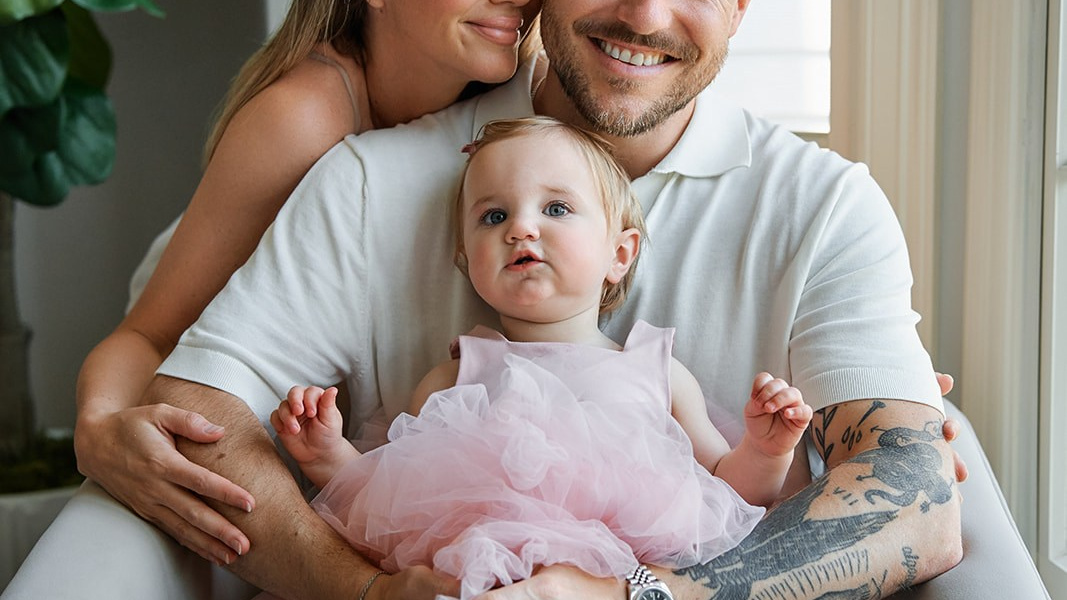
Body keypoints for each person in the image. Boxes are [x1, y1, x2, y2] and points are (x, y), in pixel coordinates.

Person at [6, 0, 964, 598]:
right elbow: (209, 402)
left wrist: (641, 595)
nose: (646, 11)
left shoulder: (824, 202)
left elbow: (916, 498)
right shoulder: (360, 164)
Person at [70, 0, 540, 572]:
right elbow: (147, 333)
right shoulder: (304, 118)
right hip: (212, 373)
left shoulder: (515, 78)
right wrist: (96, 429)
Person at [268, 117, 812, 599]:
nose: (521, 228)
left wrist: (765, 452)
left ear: (618, 255)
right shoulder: (458, 377)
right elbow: (385, 502)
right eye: (493, 216)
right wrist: (327, 456)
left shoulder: (655, 371)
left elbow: (727, 494)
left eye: (556, 208)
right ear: (466, 263)